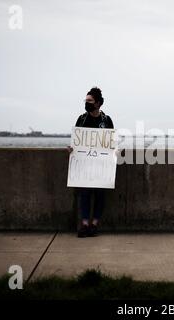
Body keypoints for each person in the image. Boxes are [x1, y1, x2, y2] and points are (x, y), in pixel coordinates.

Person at [67, 86, 114, 237]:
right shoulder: (81, 119)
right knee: (85, 194)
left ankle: (94, 224)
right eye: (85, 100)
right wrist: (71, 149)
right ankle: (85, 224)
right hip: (85, 165)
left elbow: (111, 142)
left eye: (90, 101)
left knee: (100, 194)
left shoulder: (106, 120)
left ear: (98, 103)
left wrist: (114, 150)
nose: (86, 103)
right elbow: (76, 141)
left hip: (101, 165)